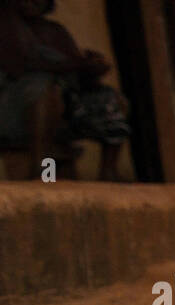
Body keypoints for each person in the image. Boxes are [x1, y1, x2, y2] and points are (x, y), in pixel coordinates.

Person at [0, 0, 130, 181]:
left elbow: (77, 73)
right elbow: (20, 66)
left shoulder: (55, 31)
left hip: (65, 108)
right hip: (15, 112)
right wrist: (73, 65)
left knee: (111, 99)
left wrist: (91, 68)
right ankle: (43, 171)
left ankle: (109, 171)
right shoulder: (7, 27)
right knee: (43, 88)